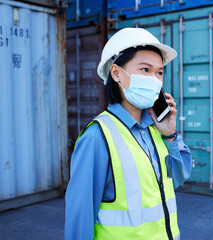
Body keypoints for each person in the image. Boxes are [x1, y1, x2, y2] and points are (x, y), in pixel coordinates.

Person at [65, 28, 192, 240]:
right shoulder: (97, 137)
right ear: (116, 73)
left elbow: (178, 178)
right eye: (145, 70)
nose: (154, 79)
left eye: (159, 72)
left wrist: (170, 135)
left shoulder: (154, 129)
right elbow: (80, 218)